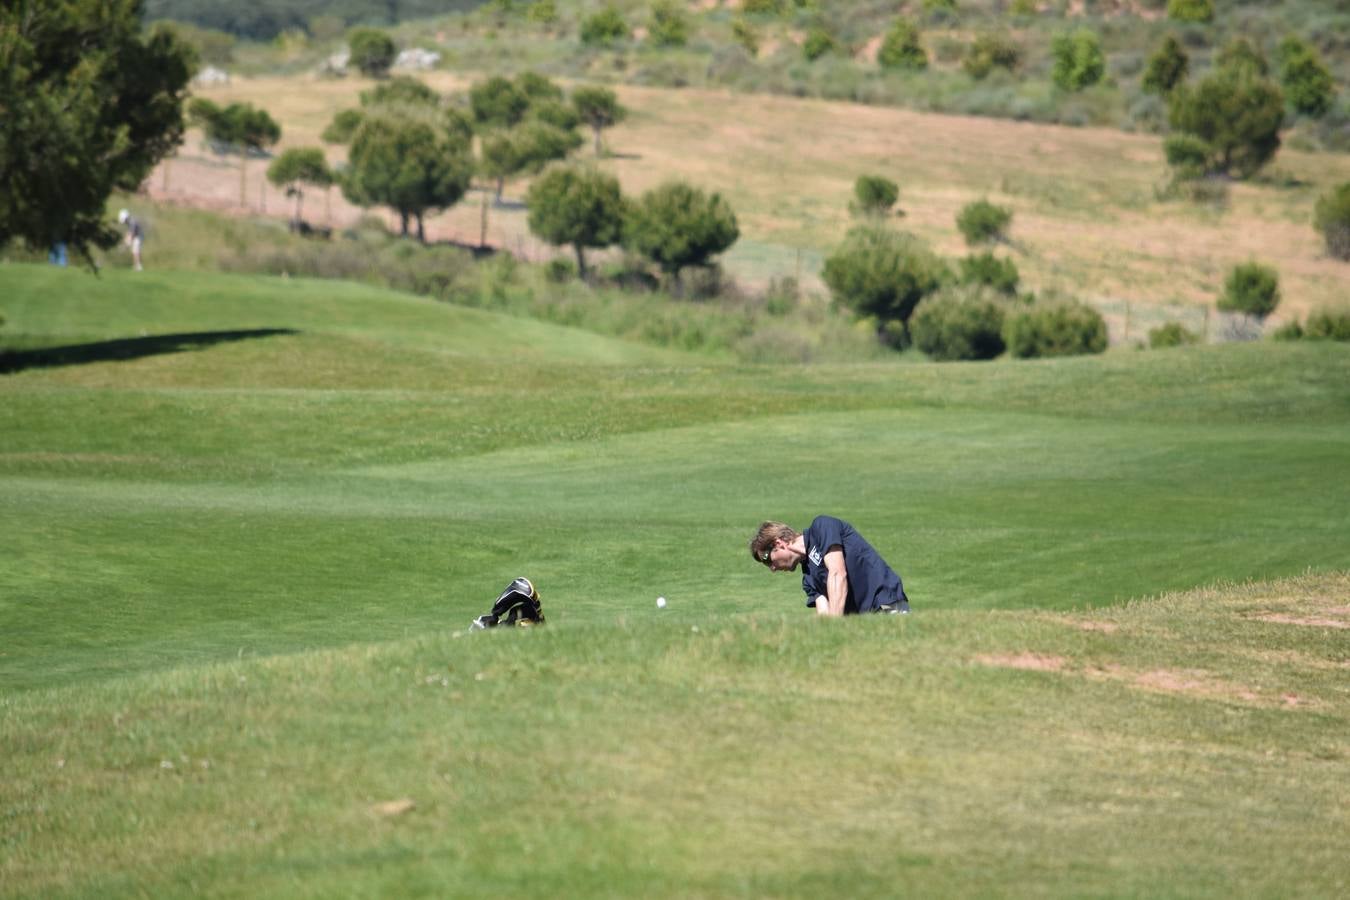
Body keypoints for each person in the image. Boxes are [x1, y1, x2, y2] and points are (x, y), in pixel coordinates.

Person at [750, 516, 909, 617]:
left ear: (779, 543)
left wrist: (836, 627)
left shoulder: (822, 528)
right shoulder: (809, 579)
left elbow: (837, 574)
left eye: (767, 560)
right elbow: (825, 617)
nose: (772, 568)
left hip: (885, 606)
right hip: (863, 623)